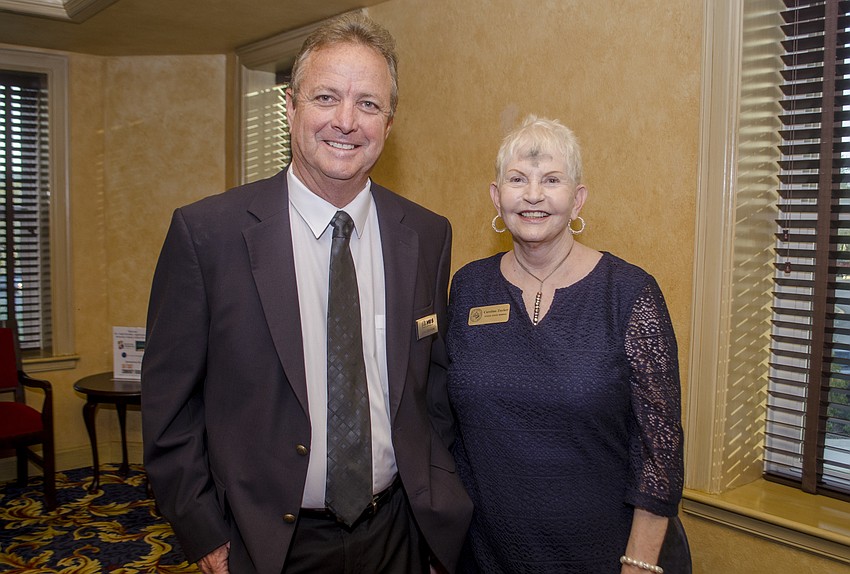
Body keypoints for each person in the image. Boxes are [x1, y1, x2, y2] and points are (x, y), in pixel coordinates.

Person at [141, 12, 472, 574]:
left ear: (389, 124)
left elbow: (432, 391)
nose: (346, 121)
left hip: (398, 535)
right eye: (326, 97)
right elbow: (170, 407)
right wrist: (206, 537)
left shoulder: (427, 234)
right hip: (262, 542)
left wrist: (436, 507)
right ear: (291, 106)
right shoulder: (208, 236)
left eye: (368, 104)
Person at [446, 115, 684, 574]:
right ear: (496, 197)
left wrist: (638, 564)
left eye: (551, 180)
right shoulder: (469, 288)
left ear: (578, 200)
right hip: (484, 555)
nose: (533, 194)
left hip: (604, 556)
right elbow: (444, 422)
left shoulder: (629, 293)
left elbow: (660, 450)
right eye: (518, 179)